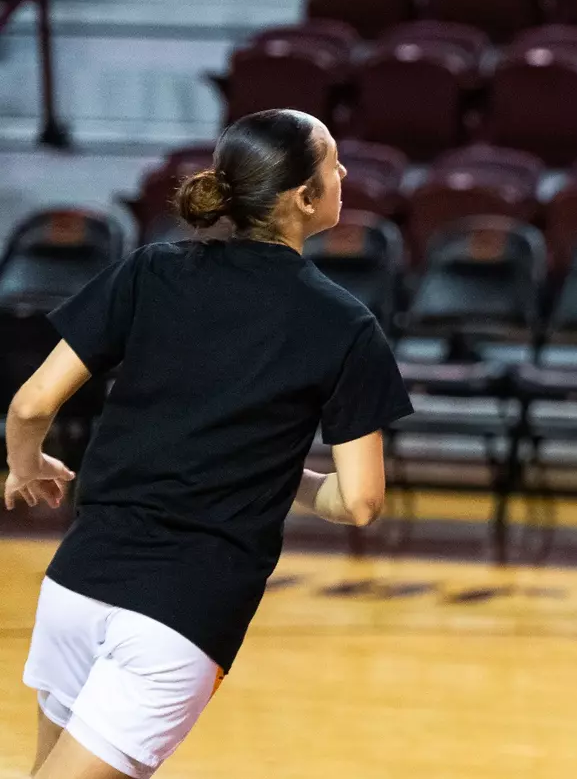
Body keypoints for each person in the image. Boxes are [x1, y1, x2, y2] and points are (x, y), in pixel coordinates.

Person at [6, 109, 412, 779]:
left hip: (76, 586)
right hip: (181, 612)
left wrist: (26, 465)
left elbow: (31, 404)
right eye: (333, 163)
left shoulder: (151, 270)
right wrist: (289, 481)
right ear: (303, 199)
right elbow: (362, 501)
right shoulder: (345, 324)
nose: (344, 175)